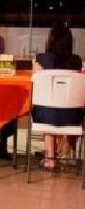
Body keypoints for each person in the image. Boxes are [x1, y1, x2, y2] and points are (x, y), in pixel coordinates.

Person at [32, 22, 83, 170]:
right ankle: (66, 146)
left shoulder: (41, 59)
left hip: (46, 116)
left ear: (50, 41)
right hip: (73, 117)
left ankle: (50, 158)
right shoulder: (77, 61)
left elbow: (35, 82)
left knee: (47, 105)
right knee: (63, 108)